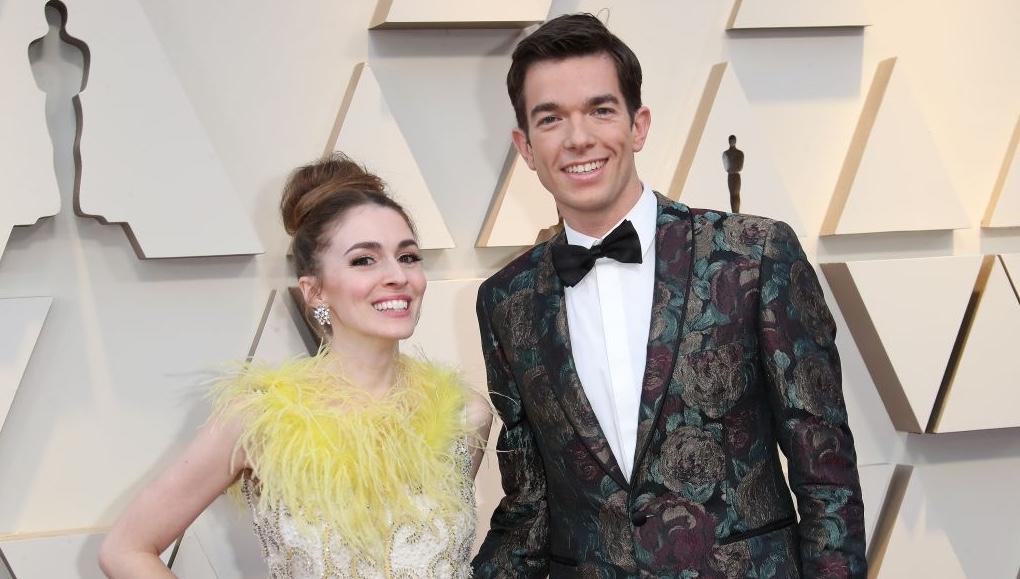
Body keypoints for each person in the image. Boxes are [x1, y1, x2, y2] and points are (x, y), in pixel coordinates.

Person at [472, 13, 866, 578]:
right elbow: (529, 506)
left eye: (600, 109)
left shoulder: (755, 254)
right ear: (526, 147)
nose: (579, 137)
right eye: (551, 118)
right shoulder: (505, 302)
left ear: (639, 125)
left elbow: (826, 476)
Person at [99, 154, 492, 578]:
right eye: (364, 260)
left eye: (409, 256)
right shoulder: (262, 418)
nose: (397, 276)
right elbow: (127, 549)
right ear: (315, 290)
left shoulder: (463, 415)